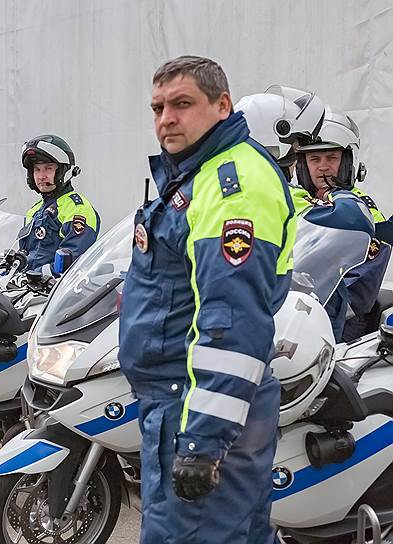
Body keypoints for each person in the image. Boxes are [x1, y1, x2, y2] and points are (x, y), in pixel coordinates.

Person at [117, 56, 295, 543]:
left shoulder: (230, 184)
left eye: (181, 104)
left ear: (222, 105)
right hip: (185, 404)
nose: (166, 119)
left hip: (197, 409)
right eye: (157, 108)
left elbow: (231, 323)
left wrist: (203, 441)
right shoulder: (196, 174)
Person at [293, 106, 388, 341]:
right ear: (303, 164)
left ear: (346, 161)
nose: (323, 166)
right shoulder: (289, 198)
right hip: (289, 305)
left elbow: (370, 266)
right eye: (314, 159)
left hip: (341, 313)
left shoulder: (361, 207)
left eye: (331, 158)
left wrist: (336, 306)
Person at [18, 134, 99, 274]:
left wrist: (39, 275)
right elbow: (25, 254)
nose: (41, 176)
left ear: (62, 171)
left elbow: (74, 258)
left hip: (54, 291)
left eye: (48, 168)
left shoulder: (77, 208)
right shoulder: (34, 210)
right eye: (37, 169)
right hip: (27, 289)